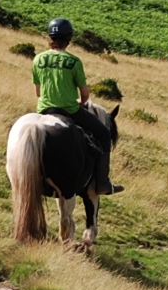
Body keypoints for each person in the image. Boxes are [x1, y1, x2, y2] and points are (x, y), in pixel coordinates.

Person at [32, 17, 122, 194]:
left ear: (49, 37)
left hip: (43, 108)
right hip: (70, 110)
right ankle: (103, 183)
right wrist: (80, 102)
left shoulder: (38, 59)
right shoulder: (74, 61)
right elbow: (85, 94)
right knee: (104, 134)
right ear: (69, 39)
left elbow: (38, 92)